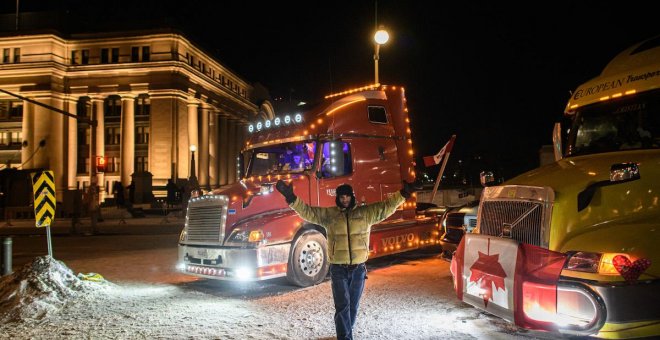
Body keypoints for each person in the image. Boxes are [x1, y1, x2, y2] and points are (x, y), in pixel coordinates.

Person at [275, 179, 416, 340]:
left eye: (347, 196)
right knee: (342, 306)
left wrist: (404, 193)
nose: (345, 200)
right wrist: (291, 198)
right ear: (338, 198)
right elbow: (308, 212)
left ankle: (346, 332)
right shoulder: (330, 215)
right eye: (342, 197)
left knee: (353, 307)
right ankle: (345, 337)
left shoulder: (365, 213)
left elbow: (387, 207)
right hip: (338, 269)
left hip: (358, 269)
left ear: (352, 196)